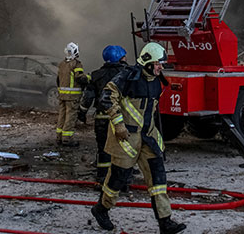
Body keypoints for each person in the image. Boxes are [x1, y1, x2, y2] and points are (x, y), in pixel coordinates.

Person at [90, 42, 186, 234]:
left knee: (158, 179)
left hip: (148, 137)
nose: (161, 67)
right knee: (118, 178)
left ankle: (165, 222)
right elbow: (107, 96)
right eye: (158, 63)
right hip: (127, 138)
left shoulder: (156, 80)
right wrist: (118, 123)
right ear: (148, 63)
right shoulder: (128, 76)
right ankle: (102, 208)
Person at [79, 45, 129, 183]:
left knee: (103, 149)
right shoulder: (126, 74)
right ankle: (123, 180)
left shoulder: (96, 75)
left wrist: (82, 112)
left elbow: (88, 97)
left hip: (101, 118)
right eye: (124, 56)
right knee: (123, 149)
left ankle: (102, 177)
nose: (126, 59)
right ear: (119, 58)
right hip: (121, 118)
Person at [56, 42, 88, 146]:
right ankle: (67, 139)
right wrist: (88, 78)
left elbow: (58, 80)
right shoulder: (76, 64)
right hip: (72, 97)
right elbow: (79, 77)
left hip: (62, 96)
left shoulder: (62, 64)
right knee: (70, 117)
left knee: (62, 116)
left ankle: (59, 137)